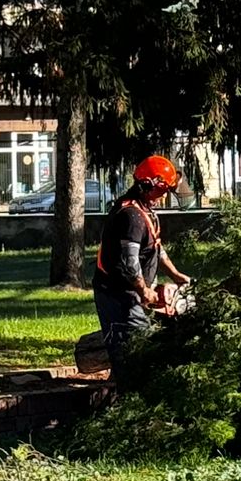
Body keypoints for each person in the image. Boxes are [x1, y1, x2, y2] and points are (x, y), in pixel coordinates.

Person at [91, 154, 191, 383]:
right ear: (148, 185)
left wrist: (175, 275)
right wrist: (143, 290)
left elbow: (155, 247)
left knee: (137, 344)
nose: (165, 195)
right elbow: (129, 261)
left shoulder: (145, 211)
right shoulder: (131, 216)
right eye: (163, 190)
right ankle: (127, 394)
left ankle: (124, 386)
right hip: (117, 293)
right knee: (134, 344)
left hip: (130, 292)